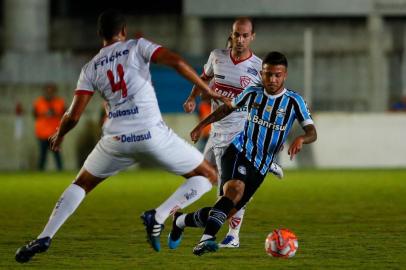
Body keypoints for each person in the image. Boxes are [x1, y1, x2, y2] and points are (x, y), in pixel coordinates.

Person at [15, 10, 228, 263]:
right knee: (208, 176)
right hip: (151, 135)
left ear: (99, 35)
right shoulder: (137, 46)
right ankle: (158, 216)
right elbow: (176, 62)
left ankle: (44, 236)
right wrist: (208, 91)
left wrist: (59, 135)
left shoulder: (91, 67)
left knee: (81, 184)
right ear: (124, 31)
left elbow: (73, 115)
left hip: (115, 141)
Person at [169, 51, 317, 256]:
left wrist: (301, 138)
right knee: (234, 190)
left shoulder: (294, 101)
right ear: (262, 74)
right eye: (267, 74)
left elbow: (312, 132)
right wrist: (202, 125)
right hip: (238, 150)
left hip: (261, 165)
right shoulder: (252, 92)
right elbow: (227, 108)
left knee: (228, 210)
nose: (272, 79)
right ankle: (206, 239)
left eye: (277, 75)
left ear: (285, 75)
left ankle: (180, 220)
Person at [180, 17, 283, 249]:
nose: (240, 39)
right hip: (216, 131)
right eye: (237, 34)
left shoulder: (259, 67)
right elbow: (203, 79)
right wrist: (191, 98)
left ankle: (230, 235)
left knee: (230, 191)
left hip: (240, 134)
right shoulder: (217, 56)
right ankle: (179, 217)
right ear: (231, 34)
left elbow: (270, 102)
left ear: (252, 37)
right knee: (199, 176)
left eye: (245, 35)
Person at [33, 83, 65, 171]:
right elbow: (35, 115)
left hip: (55, 134)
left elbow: (65, 115)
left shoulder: (60, 102)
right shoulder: (38, 102)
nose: (49, 93)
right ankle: (40, 171)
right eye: (47, 91)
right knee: (42, 155)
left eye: (51, 91)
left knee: (57, 154)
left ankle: (60, 171)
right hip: (42, 133)